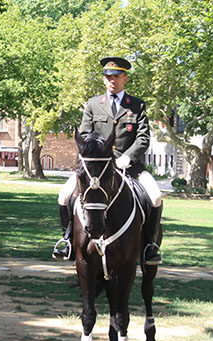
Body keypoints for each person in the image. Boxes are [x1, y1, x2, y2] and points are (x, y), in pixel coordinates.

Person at [53, 56, 163, 265]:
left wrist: (127, 158)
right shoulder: (94, 104)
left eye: (117, 76)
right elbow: (85, 135)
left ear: (125, 79)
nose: (112, 80)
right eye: (108, 76)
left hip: (129, 167)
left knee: (155, 197)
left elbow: (143, 138)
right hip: (97, 168)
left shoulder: (137, 105)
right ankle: (67, 240)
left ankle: (149, 246)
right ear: (104, 80)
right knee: (63, 195)